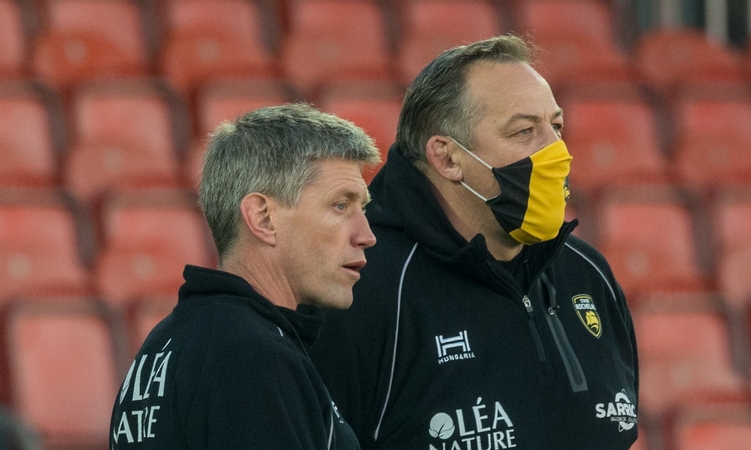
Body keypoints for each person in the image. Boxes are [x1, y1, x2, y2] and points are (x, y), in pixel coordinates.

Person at [309, 35, 639, 449]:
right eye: (524, 131)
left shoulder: (588, 275)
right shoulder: (359, 287)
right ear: (447, 158)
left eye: (556, 126)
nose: (557, 152)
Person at [109, 103, 381, 449]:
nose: (366, 234)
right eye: (341, 205)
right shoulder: (250, 358)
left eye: (364, 208)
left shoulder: (165, 344)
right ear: (263, 218)